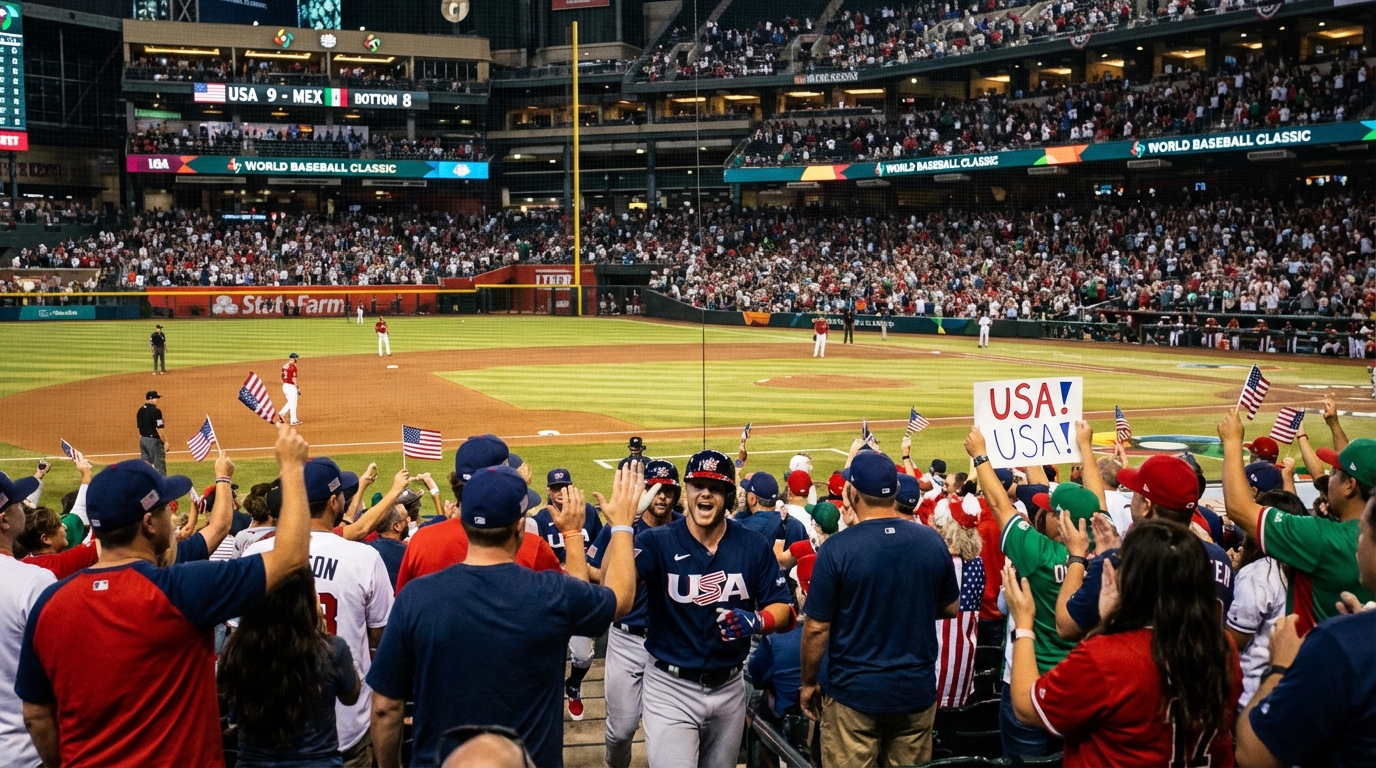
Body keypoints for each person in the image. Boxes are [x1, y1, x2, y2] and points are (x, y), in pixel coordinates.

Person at [16, 424, 313, 767]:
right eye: (164, 509)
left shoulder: (50, 603)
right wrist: (292, 466)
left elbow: (36, 715)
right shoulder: (183, 590)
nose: (171, 514)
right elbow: (290, 556)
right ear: (148, 523)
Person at [367, 463, 640, 768]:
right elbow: (621, 600)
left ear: (463, 521)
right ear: (521, 525)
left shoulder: (415, 598)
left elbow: (384, 708)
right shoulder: (553, 593)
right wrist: (620, 525)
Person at [1003, 520, 1242, 766]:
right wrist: (1107, 623)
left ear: (1132, 581)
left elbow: (1025, 706)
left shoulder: (1107, 657)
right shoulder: (1222, 645)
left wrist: (1023, 623)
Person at [635, 449, 795, 768]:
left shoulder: (751, 545)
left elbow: (785, 611)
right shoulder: (658, 541)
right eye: (698, 484)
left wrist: (759, 619)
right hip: (670, 688)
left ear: (728, 496)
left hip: (729, 688)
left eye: (716, 486)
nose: (706, 492)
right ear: (687, 490)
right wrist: (623, 527)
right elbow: (616, 592)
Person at [800, 449, 958, 767]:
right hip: (915, 691)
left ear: (853, 492)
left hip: (853, 695)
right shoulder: (931, 541)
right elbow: (951, 607)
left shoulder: (837, 549)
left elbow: (817, 628)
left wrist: (807, 683)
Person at [244, 457, 394, 768]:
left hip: (269, 725)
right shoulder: (364, 557)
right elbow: (381, 637)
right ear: (334, 502)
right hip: (347, 727)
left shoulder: (256, 554)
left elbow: (239, 631)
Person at [1235, 481, 1376, 766]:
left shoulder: (1339, 643)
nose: (1357, 542)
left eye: (1363, 533)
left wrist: (1279, 668)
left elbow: (1253, 755)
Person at [1219, 410, 1375, 634]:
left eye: (1333, 473)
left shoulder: (1323, 538)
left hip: (1314, 659)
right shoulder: (1364, 534)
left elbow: (1239, 509)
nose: (1327, 480)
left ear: (1350, 486)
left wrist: (1232, 441)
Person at [587, 459, 682, 768]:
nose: (662, 496)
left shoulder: (685, 527)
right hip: (627, 638)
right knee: (621, 731)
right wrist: (623, 527)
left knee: (665, 730)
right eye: (655, 488)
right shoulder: (622, 525)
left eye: (668, 489)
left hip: (671, 640)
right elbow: (600, 576)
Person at [219, 568, 362, 767]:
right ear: (307, 602)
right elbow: (351, 695)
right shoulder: (332, 650)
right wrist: (324, 636)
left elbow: (235, 716)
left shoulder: (237, 652)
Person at [395, 435, 562, 592]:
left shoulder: (422, 542)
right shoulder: (531, 546)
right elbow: (575, 607)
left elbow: (401, 608)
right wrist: (572, 533)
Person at [531, 467, 606, 720]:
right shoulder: (540, 520)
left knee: (583, 656)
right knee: (545, 654)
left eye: (564, 487)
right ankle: (547, 697)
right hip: (549, 596)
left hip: (580, 593)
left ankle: (573, 685)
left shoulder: (589, 514)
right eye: (555, 488)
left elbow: (598, 549)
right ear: (548, 491)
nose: (560, 493)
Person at [0, 471, 55, 768]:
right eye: (19, 503)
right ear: (3, 520)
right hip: (27, 755)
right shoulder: (33, 582)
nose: (25, 507)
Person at [369, 500, 411, 589]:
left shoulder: (367, 548)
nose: (409, 521)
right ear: (397, 526)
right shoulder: (408, 554)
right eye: (405, 518)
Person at [137, 389, 169, 475]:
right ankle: (162, 487)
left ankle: (146, 486)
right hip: (153, 442)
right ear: (150, 399)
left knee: (145, 466)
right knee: (160, 467)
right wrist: (165, 441)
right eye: (156, 398)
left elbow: (139, 427)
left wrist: (142, 439)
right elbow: (159, 428)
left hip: (143, 440)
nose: (157, 400)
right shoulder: (156, 411)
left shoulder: (140, 410)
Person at [282, 352, 302, 426]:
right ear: (293, 359)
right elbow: (293, 379)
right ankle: (293, 420)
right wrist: (297, 387)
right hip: (291, 386)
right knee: (293, 403)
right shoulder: (293, 367)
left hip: (285, 386)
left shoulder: (285, 366)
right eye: (296, 358)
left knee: (291, 402)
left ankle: (281, 414)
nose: (297, 359)